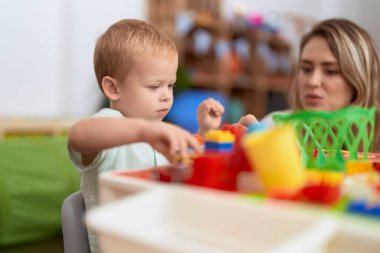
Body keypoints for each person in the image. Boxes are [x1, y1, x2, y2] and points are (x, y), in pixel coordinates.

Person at [68, 19, 224, 253]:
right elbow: (78, 136)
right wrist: (144, 130)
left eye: (170, 85)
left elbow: (187, 163)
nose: (166, 96)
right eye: (154, 86)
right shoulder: (110, 124)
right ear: (113, 88)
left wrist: (204, 132)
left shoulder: (158, 129)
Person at [242, 18, 380, 152]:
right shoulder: (272, 127)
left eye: (331, 71)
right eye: (306, 69)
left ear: (359, 81)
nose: (312, 81)